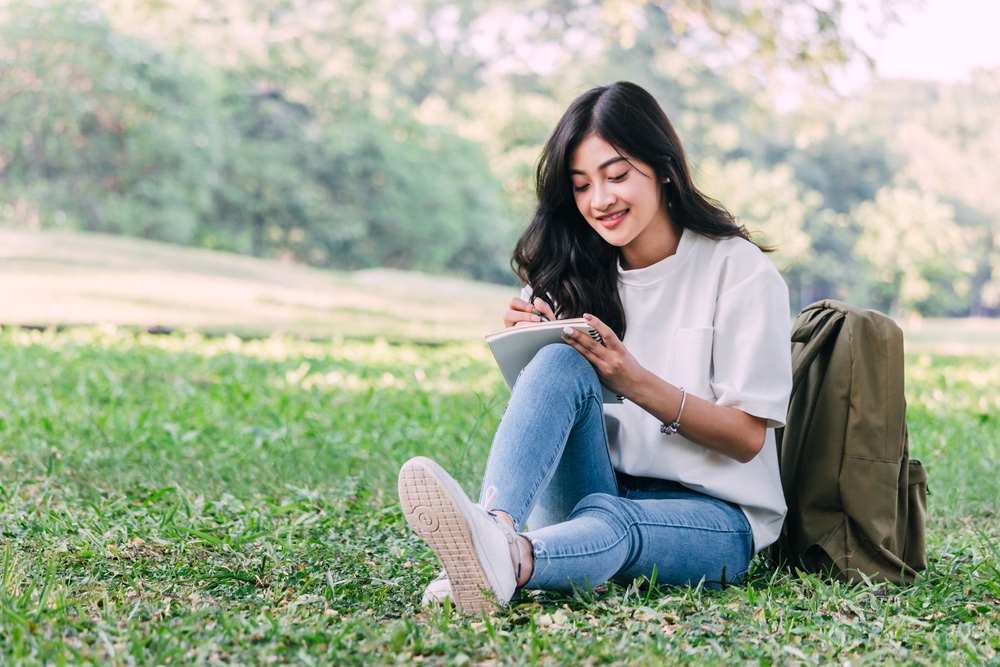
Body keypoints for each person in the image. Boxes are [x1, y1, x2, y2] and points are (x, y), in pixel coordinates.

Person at [397, 81, 793, 614]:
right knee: (559, 359)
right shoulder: (573, 270)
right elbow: (550, 408)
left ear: (665, 168)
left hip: (717, 520)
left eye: (617, 175)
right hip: (595, 489)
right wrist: (528, 340)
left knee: (616, 522)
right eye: (581, 185)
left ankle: (500, 560)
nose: (599, 201)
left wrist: (635, 382)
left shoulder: (738, 270)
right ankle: (497, 531)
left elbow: (747, 438)